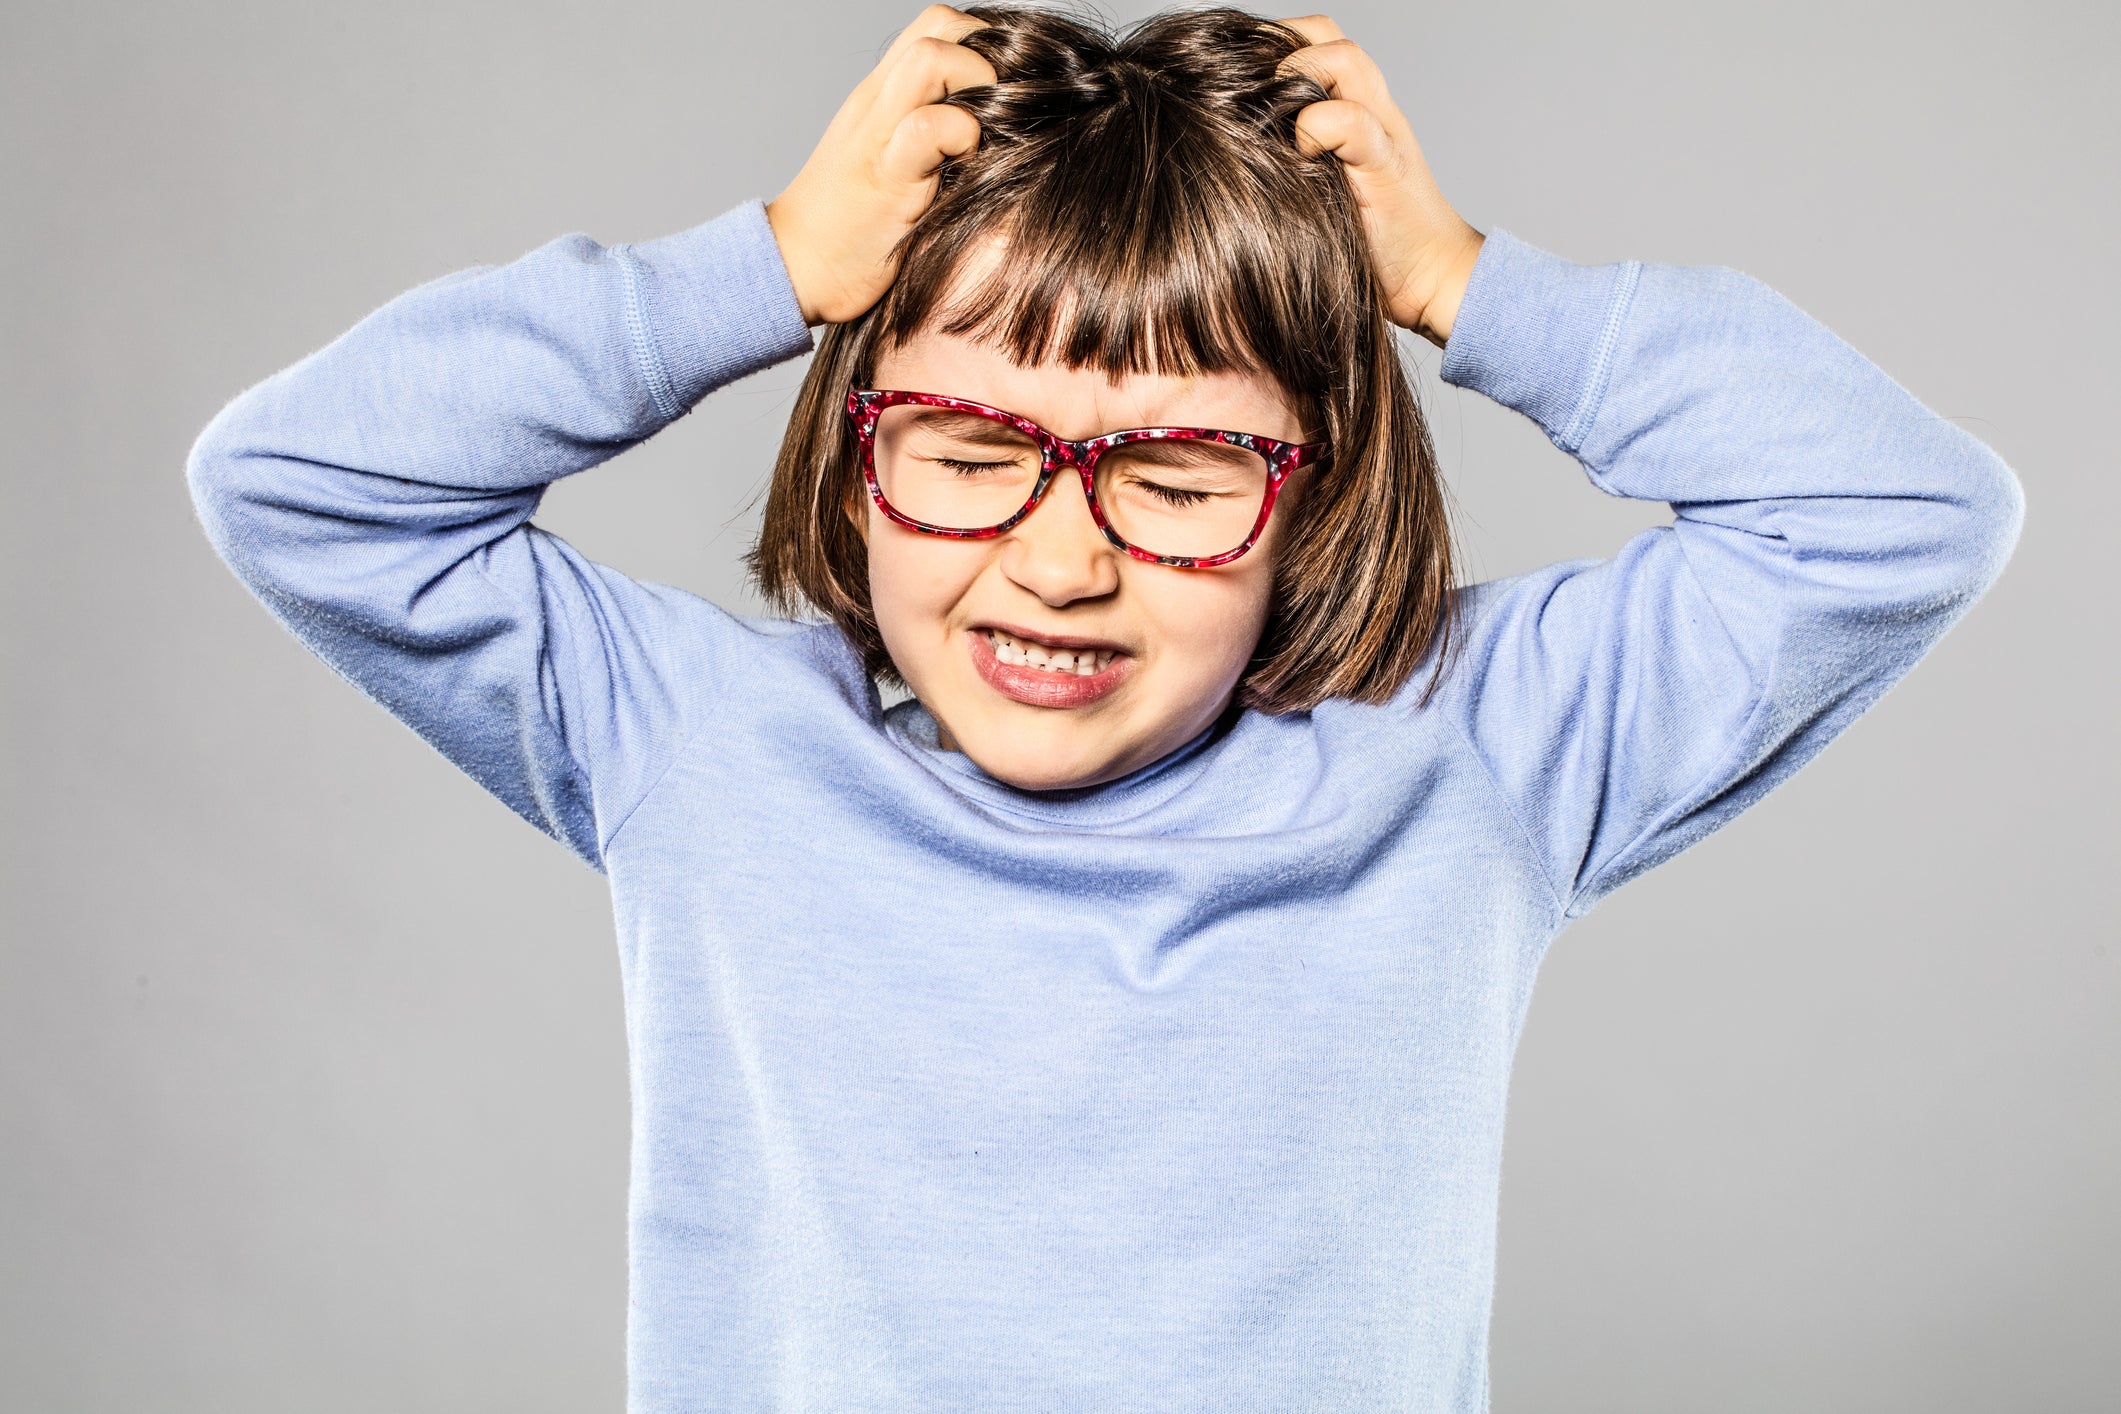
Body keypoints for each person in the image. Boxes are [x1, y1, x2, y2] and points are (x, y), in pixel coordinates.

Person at [185, 5, 2022, 1409]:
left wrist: (1460, 285)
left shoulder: (1470, 754)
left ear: (1317, 483)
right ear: (847, 462)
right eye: (974, 448)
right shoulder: (705, 744)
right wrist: (758, 268)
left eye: (1180, 467)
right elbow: (298, 483)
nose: (1060, 562)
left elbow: (1897, 514)